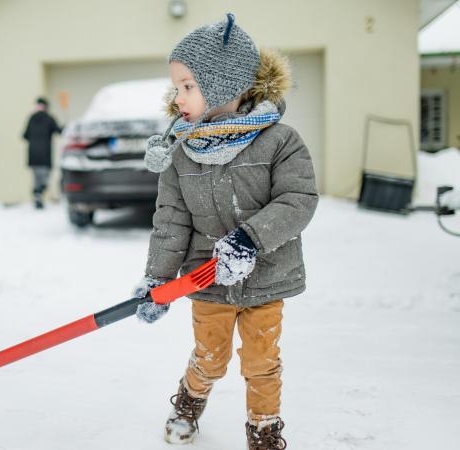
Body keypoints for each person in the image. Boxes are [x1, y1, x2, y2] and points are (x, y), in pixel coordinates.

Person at [131, 13, 318, 449]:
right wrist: (158, 278)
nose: (178, 96)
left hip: (266, 277)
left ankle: (265, 430)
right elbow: (171, 221)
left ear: (224, 85)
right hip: (207, 279)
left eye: (187, 85)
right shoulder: (182, 153)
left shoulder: (280, 141)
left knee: (262, 362)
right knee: (211, 358)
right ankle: (188, 402)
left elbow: (299, 200)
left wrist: (250, 239)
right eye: (176, 86)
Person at [22, 97, 61, 209]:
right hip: (45, 155)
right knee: (44, 178)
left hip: (33, 155)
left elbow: (24, 136)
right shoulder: (49, 118)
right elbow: (58, 131)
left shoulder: (31, 118)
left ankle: (37, 195)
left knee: (37, 178)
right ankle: (38, 194)